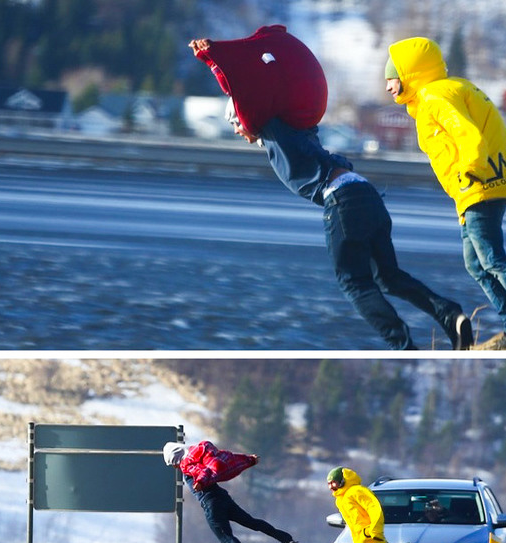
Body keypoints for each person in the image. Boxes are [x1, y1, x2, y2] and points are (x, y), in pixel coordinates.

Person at [188, 27, 473, 351]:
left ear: (242, 117)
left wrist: (214, 60)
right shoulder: (300, 128)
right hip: (365, 193)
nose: (238, 131)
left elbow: (244, 92)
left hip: (342, 200)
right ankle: (451, 315)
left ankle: (405, 348)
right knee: (388, 277)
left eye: (234, 124)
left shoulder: (273, 127)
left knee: (355, 283)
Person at [384, 37, 506, 349]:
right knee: (476, 263)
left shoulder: (434, 97)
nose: (388, 87)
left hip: (479, 183)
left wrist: (471, 169)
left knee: (492, 258)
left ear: (410, 74)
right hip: (485, 182)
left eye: (391, 78)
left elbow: (469, 133)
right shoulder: (457, 88)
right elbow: (499, 133)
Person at [163, 440, 301, 543]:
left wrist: (201, 482)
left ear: (176, 459)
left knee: (226, 539)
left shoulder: (186, 464)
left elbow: (202, 473)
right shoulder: (200, 456)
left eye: (172, 464)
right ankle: (286, 540)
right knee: (253, 523)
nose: (175, 467)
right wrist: (249, 460)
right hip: (223, 497)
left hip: (211, 504)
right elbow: (227, 458)